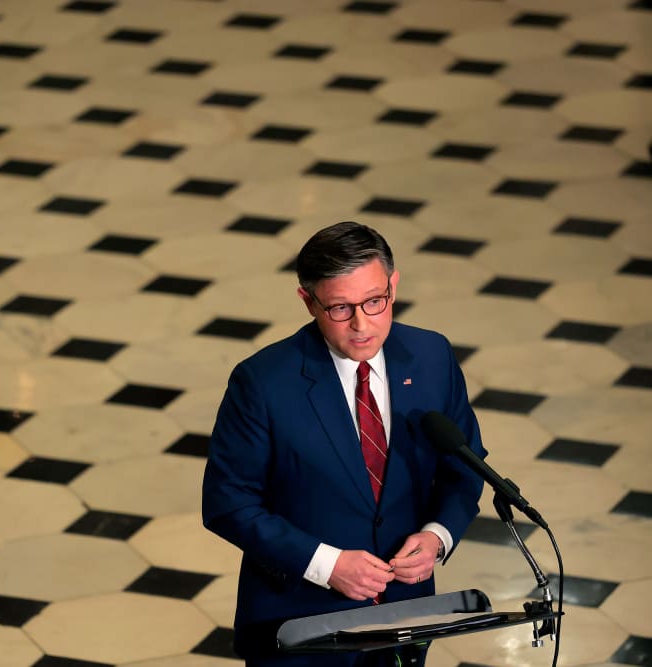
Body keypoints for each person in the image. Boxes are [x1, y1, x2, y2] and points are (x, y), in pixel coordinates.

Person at [202, 222, 487, 666]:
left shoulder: (432, 357)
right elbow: (229, 503)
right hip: (298, 627)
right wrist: (326, 564)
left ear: (393, 285)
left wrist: (437, 537)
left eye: (375, 301)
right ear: (308, 301)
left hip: (403, 618)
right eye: (340, 308)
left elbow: (465, 466)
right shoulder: (262, 382)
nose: (361, 325)